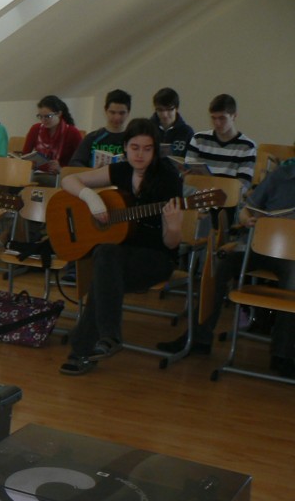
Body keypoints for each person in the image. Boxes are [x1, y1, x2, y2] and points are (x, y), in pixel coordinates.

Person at [58, 118, 184, 375]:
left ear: (155, 150)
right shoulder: (122, 170)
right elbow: (68, 181)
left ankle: (89, 347)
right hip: (118, 256)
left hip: (156, 259)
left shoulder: (168, 178)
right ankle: (101, 341)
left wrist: (173, 226)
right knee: (106, 259)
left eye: (147, 149)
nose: (140, 154)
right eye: (134, 147)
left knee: (104, 268)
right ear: (125, 147)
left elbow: (171, 244)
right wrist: (92, 199)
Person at [157, 156, 295, 376]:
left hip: (291, 257)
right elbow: (246, 210)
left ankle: (283, 354)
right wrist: (247, 218)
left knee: (293, 279)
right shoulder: (282, 175)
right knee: (220, 264)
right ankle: (198, 338)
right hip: (257, 246)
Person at [184, 94, 258, 192]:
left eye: (222, 118)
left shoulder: (247, 147)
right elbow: (189, 178)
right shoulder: (199, 139)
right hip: (199, 195)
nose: (217, 123)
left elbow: (242, 186)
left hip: (228, 197)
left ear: (234, 116)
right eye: (213, 118)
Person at [68, 89, 132, 168]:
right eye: (112, 112)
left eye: (122, 113)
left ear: (128, 112)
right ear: (105, 111)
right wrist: (93, 172)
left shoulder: (132, 139)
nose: (117, 117)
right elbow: (75, 162)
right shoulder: (92, 138)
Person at [21, 95, 80, 175]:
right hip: (37, 174)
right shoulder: (35, 129)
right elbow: (25, 155)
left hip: (62, 176)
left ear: (59, 114)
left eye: (48, 116)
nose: (43, 120)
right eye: (40, 116)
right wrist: (30, 164)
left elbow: (80, 163)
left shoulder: (72, 132)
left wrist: (61, 169)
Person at [150, 87, 193, 158]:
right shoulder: (147, 129)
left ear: (176, 109)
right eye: (160, 110)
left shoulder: (187, 132)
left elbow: (192, 159)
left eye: (169, 109)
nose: (164, 115)